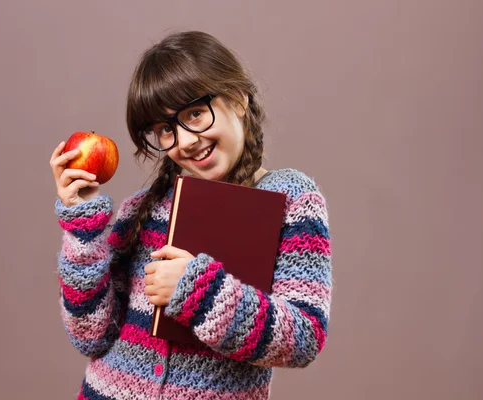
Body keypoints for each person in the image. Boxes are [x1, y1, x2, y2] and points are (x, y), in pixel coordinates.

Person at [49, 30, 333, 400]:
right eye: (166, 129)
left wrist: (198, 291)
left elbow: (304, 337)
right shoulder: (142, 209)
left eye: (195, 113)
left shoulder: (291, 200)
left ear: (238, 99)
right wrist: (81, 226)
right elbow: (90, 334)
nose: (184, 141)